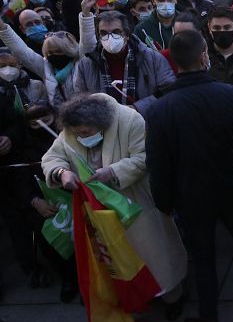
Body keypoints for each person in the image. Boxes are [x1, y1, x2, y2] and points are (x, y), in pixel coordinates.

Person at [145, 30, 233, 322]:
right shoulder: (229, 94)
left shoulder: (161, 109)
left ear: (174, 64)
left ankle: (209, 318)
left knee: (203, 258)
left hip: (190, 195)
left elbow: (157, 162)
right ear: (204, 55)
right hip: (231, 187)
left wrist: (163, 201)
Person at [41, 93, 187, 309]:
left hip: (137, 202)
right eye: (77, 134)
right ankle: (135, 298)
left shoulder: (129, 120)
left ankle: (172, 296)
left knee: (155, 255)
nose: (82, 136)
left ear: (100, 124)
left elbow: (145, 157)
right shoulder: (71, 129)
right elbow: (51, 157)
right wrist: (61, 172)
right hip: (100, 210)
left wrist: (112, 171)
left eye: (87, 133)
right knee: (120, 260)